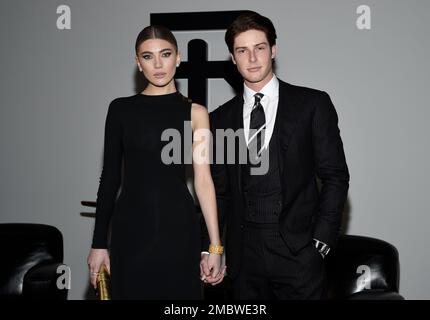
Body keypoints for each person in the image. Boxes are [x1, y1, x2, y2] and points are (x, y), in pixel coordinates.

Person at [201, 11, 350, 299]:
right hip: (244, 258)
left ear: (273, 50)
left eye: (259, 48)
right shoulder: (219, 119)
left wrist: (321, 239)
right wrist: (212, 247)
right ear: (233, 58)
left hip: (299, 253)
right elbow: (219, 192)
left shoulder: (312, 104)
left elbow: (335, 176)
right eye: (242, 51)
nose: (252, 58)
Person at [87, 25, 225, 299]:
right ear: (138, 63)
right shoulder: (120, 109)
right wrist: (99, 243)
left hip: (179, 228)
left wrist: (215, 246)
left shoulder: (196, 113)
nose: (158, 64)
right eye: (148, 57)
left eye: (165, 54)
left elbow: (203, 181)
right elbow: (110, 177)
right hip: (130, 231)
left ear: (178, 58)